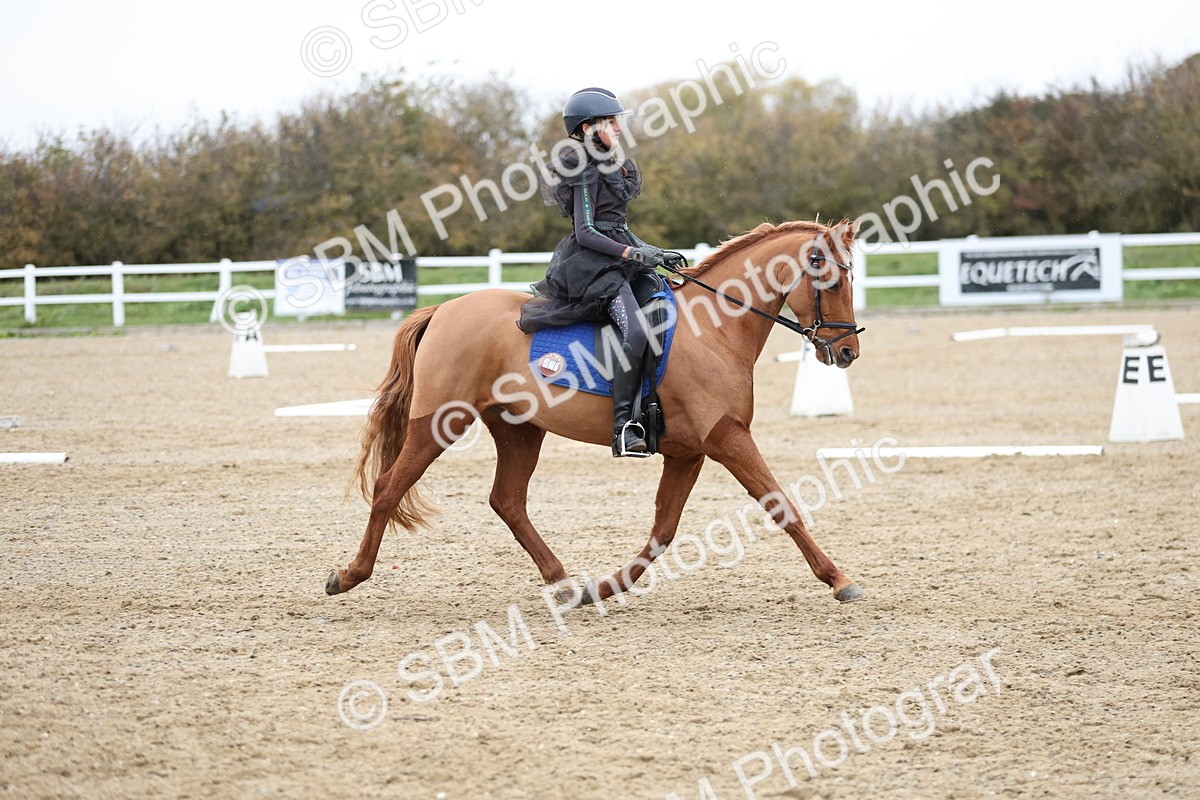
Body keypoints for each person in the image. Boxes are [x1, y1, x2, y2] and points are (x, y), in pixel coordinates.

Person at [517, 87, 668, 458]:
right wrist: (633, 251)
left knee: (666, 303)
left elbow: (615, 224)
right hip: (594, 266)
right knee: (635, 329)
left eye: (618, 121)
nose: (618, 128)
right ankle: (623, 428)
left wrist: (653, 252)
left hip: (621, 257)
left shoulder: (617, 165)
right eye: (611, 122)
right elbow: (586, 231)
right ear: (587, 128)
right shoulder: (581, 166)